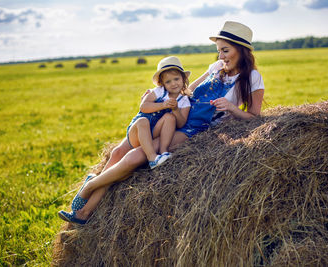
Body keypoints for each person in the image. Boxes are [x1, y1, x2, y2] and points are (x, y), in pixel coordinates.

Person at [59, 21, 264, 225]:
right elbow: (186, 90)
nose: (221, 56)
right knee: (117, 153)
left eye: (225, 50)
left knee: (135, 157)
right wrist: (154, 97)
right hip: (172, 115)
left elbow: (256, 116)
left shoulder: (252, 77)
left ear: (241, 49)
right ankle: (84, 212)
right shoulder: (216, 67)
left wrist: (232, 108)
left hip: (192, 128)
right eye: (219, 51)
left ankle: (89, 186)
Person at [58, 56, 191, 224]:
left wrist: (176, 109)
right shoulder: (157, 92)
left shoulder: (184, 100)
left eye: (176, 79)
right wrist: (163, 105)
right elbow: (144, 107)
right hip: (139, 132)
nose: (173, 84)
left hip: (152, 135)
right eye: (168, 81)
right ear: (162, 84)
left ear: (183, 79)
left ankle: (83, 211)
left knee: (113, 171)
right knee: (130, 138)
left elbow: (180, 122)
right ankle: (151, 159)